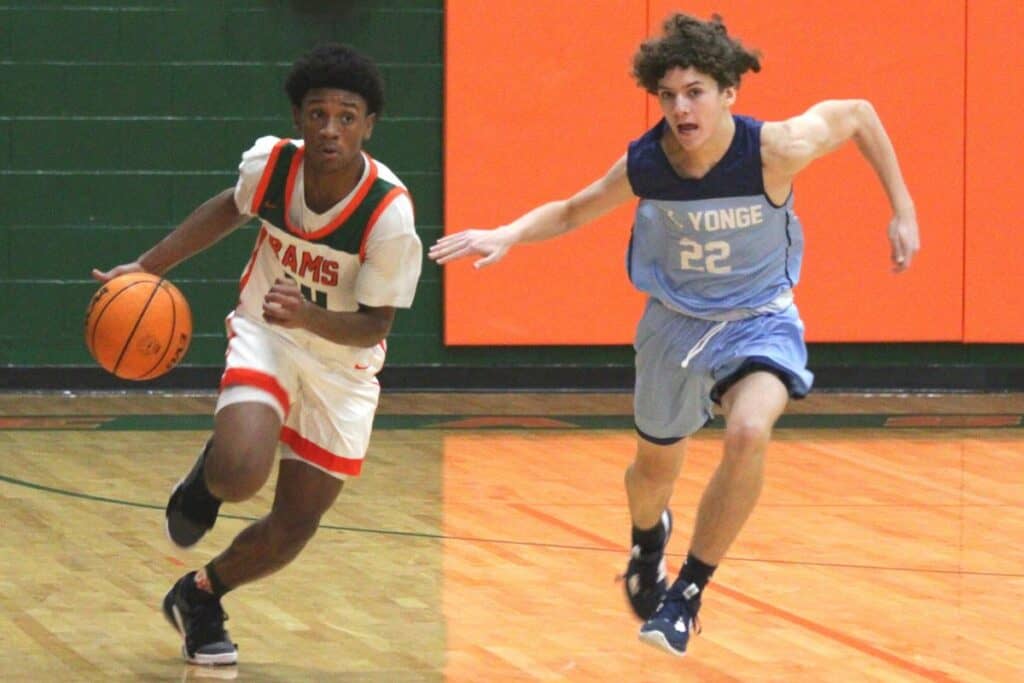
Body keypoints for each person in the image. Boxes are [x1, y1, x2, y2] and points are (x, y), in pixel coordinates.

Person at [429, 13, 919, 658]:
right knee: (651, 470)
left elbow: (857, 112)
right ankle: (647, 538)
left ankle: (688, 590)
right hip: (673, 325)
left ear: (728, 94)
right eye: (668, 95)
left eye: (695, 92)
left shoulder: (775, 148)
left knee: (748, 431)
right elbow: (575, 208)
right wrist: (507, 234)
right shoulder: (647, 163)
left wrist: (903, 210)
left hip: (759, 319)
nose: (680, 108)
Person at [93, 43, 422, 666]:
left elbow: (376, 324)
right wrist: (148, 266)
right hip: (266, 332)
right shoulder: (271, 166)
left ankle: (200, 595)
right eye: (318, 114)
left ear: (368, 126)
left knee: (295, 525)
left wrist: (310, 314)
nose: (331, 129)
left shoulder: (389, 216)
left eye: (347, 116)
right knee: (240, 474)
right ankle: (212, 474)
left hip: (343, 365)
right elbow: (228, 207)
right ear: (299, 118)